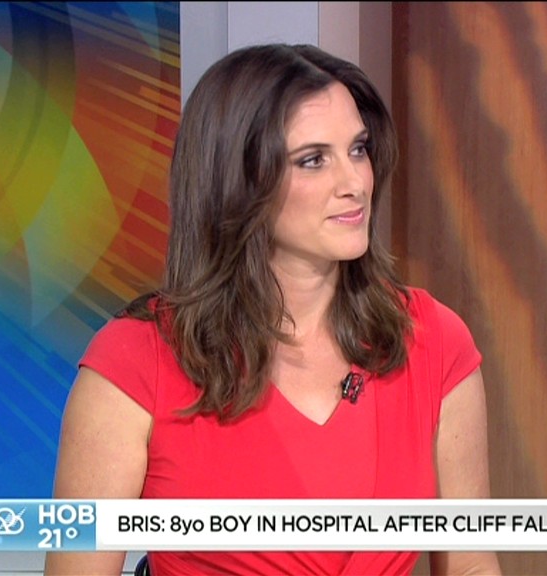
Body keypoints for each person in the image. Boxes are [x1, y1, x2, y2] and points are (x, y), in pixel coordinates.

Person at [45, 43, 500, 576]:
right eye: (313, 160)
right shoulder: (135, 363)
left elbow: (470, 564)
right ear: (239, 182)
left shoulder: (433, 341)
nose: (355, 183)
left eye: (358, 150)